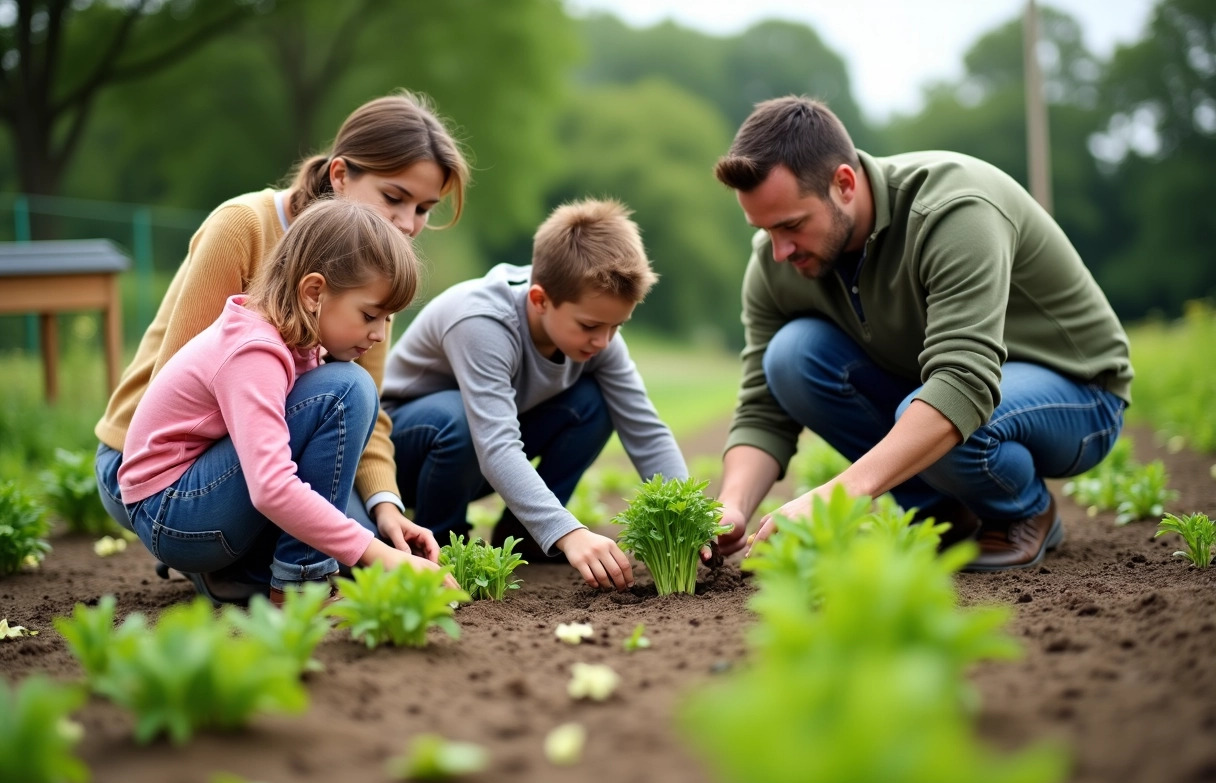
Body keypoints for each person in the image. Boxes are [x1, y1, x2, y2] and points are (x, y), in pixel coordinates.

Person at [712, 96, 1133, 571]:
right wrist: (733, 505)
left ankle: (1023, 513)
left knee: (942, 418)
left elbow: (962, 388)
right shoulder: (777, 261)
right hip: (940, 389)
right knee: (791, 356)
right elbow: (763, 405)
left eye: (791, 225)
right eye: (765, 229)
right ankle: (945, 515)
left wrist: (835, 496)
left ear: (844, 184)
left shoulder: (954, 211)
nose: (779, 251)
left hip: (1078, 392)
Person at [94, 90, 469, 602]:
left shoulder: (373, 278)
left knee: (358, 544)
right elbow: (184, 386)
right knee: (343, 546)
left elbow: (364, 414)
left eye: (424, 208)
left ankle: (259, 566)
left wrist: (385, 509)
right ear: (341, 175)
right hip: (157, 467)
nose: (407, 224)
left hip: (266, 446)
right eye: (394, 197)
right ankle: (250, 568)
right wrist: (335, 537)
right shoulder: (244, 229)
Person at [381, 198, 691, 592]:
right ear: (540, 300)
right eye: (591, 325)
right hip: (402, 455)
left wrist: (686, 521)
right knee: (458, 416)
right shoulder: (482, 322)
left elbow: (645, 428)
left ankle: (528, 536)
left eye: (617, 326)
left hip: (474, 456)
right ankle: (442, 546)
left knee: (595, 403)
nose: (604, 341)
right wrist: (570, 531)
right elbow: (496, 445)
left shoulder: (597, 335)